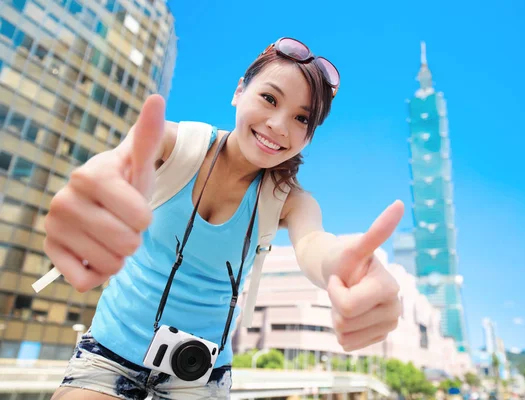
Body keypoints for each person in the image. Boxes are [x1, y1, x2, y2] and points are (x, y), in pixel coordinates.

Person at [46, 37, 404, 400]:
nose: (279, 125)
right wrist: (98, 187)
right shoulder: (173, 144)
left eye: (301, 118)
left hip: (200, 376)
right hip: (111, 352)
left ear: (309, 136)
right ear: (239, 91)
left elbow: (314, 244)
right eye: (269, 98)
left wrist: (342, 267)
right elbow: (119, 163)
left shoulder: (289, 200)